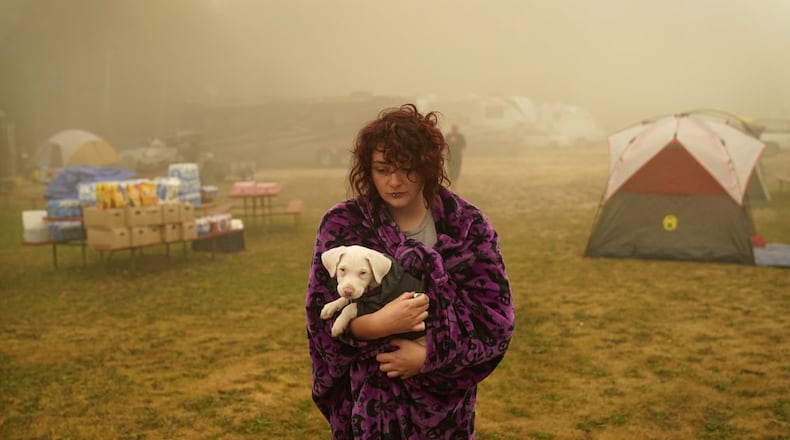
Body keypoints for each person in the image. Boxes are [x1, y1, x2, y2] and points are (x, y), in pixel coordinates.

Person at [305, 103, 514, 439]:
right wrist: (374, 325)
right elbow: (319, 316)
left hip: (443, 411)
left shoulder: (467, 226)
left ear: (428, 167)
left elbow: (494, 321)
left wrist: (429, 354)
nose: (395, 181)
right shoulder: (344, 225)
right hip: (368, 408)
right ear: (368, 170)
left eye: (407, 169)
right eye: (383, 169)